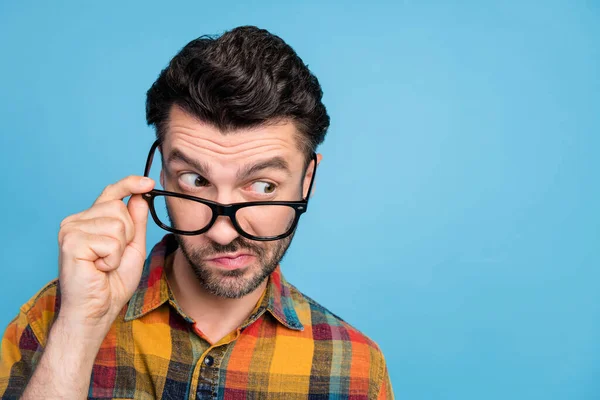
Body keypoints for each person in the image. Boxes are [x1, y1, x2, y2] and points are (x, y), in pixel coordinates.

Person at [0, 26, 393, 399]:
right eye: (195, 180)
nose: (223, 233)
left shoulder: (355, 369)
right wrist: (78, 331)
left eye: (262, 186)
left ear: (306, 181)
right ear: (161, 174)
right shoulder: (53, 317)